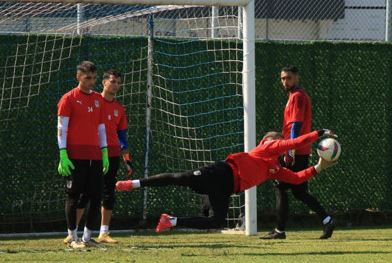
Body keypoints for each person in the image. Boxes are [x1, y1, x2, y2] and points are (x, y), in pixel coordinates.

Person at [115, 129, 339, 233]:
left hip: (227, 189)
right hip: (222, 172)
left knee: (216, 221)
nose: (278, 144)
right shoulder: (265, 148)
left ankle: (170, 221)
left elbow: (297, 178)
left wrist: (319, 167)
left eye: (278, 142)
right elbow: (291, 143)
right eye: (276, 141)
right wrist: (318, 133)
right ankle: (134, 184)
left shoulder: (274, 168)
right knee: (180, 178)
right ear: (267, 142)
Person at [260, 65, 336, 240]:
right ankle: (327, 220)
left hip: (295, 151)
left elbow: (296, 125)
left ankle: (279, 231)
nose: (285, 81)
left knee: (280, 185)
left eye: (288, 78)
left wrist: (290, 150)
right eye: (282, 78)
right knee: (299, 192)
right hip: (300, 150)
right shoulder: (295, 96)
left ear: (297, 78)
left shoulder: (297, 97)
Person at [57, 61, 109, 249]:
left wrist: (104, 151)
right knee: (74, 196)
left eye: (94, 78)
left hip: (94, 155)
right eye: (88, 78)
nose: (91, 82)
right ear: (79, 77)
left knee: (96, 196)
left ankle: (87, 238)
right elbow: (61, 127)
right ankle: (72, 237)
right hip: (75, 155)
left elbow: (101, 127)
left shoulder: (98, 99)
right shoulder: (68, 99)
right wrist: (63, 153)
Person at [96, 69, 133, 243]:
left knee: (108, 192)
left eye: (118, 82)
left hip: (111, 155)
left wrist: (127, 160)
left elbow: (122, 136)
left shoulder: (119, 108)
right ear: (103, 82)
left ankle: (103, 232)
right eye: (113, 81)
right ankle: (75, 232)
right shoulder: (94, 102)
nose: (116, 85)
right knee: (87, 191)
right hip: (92, 153)